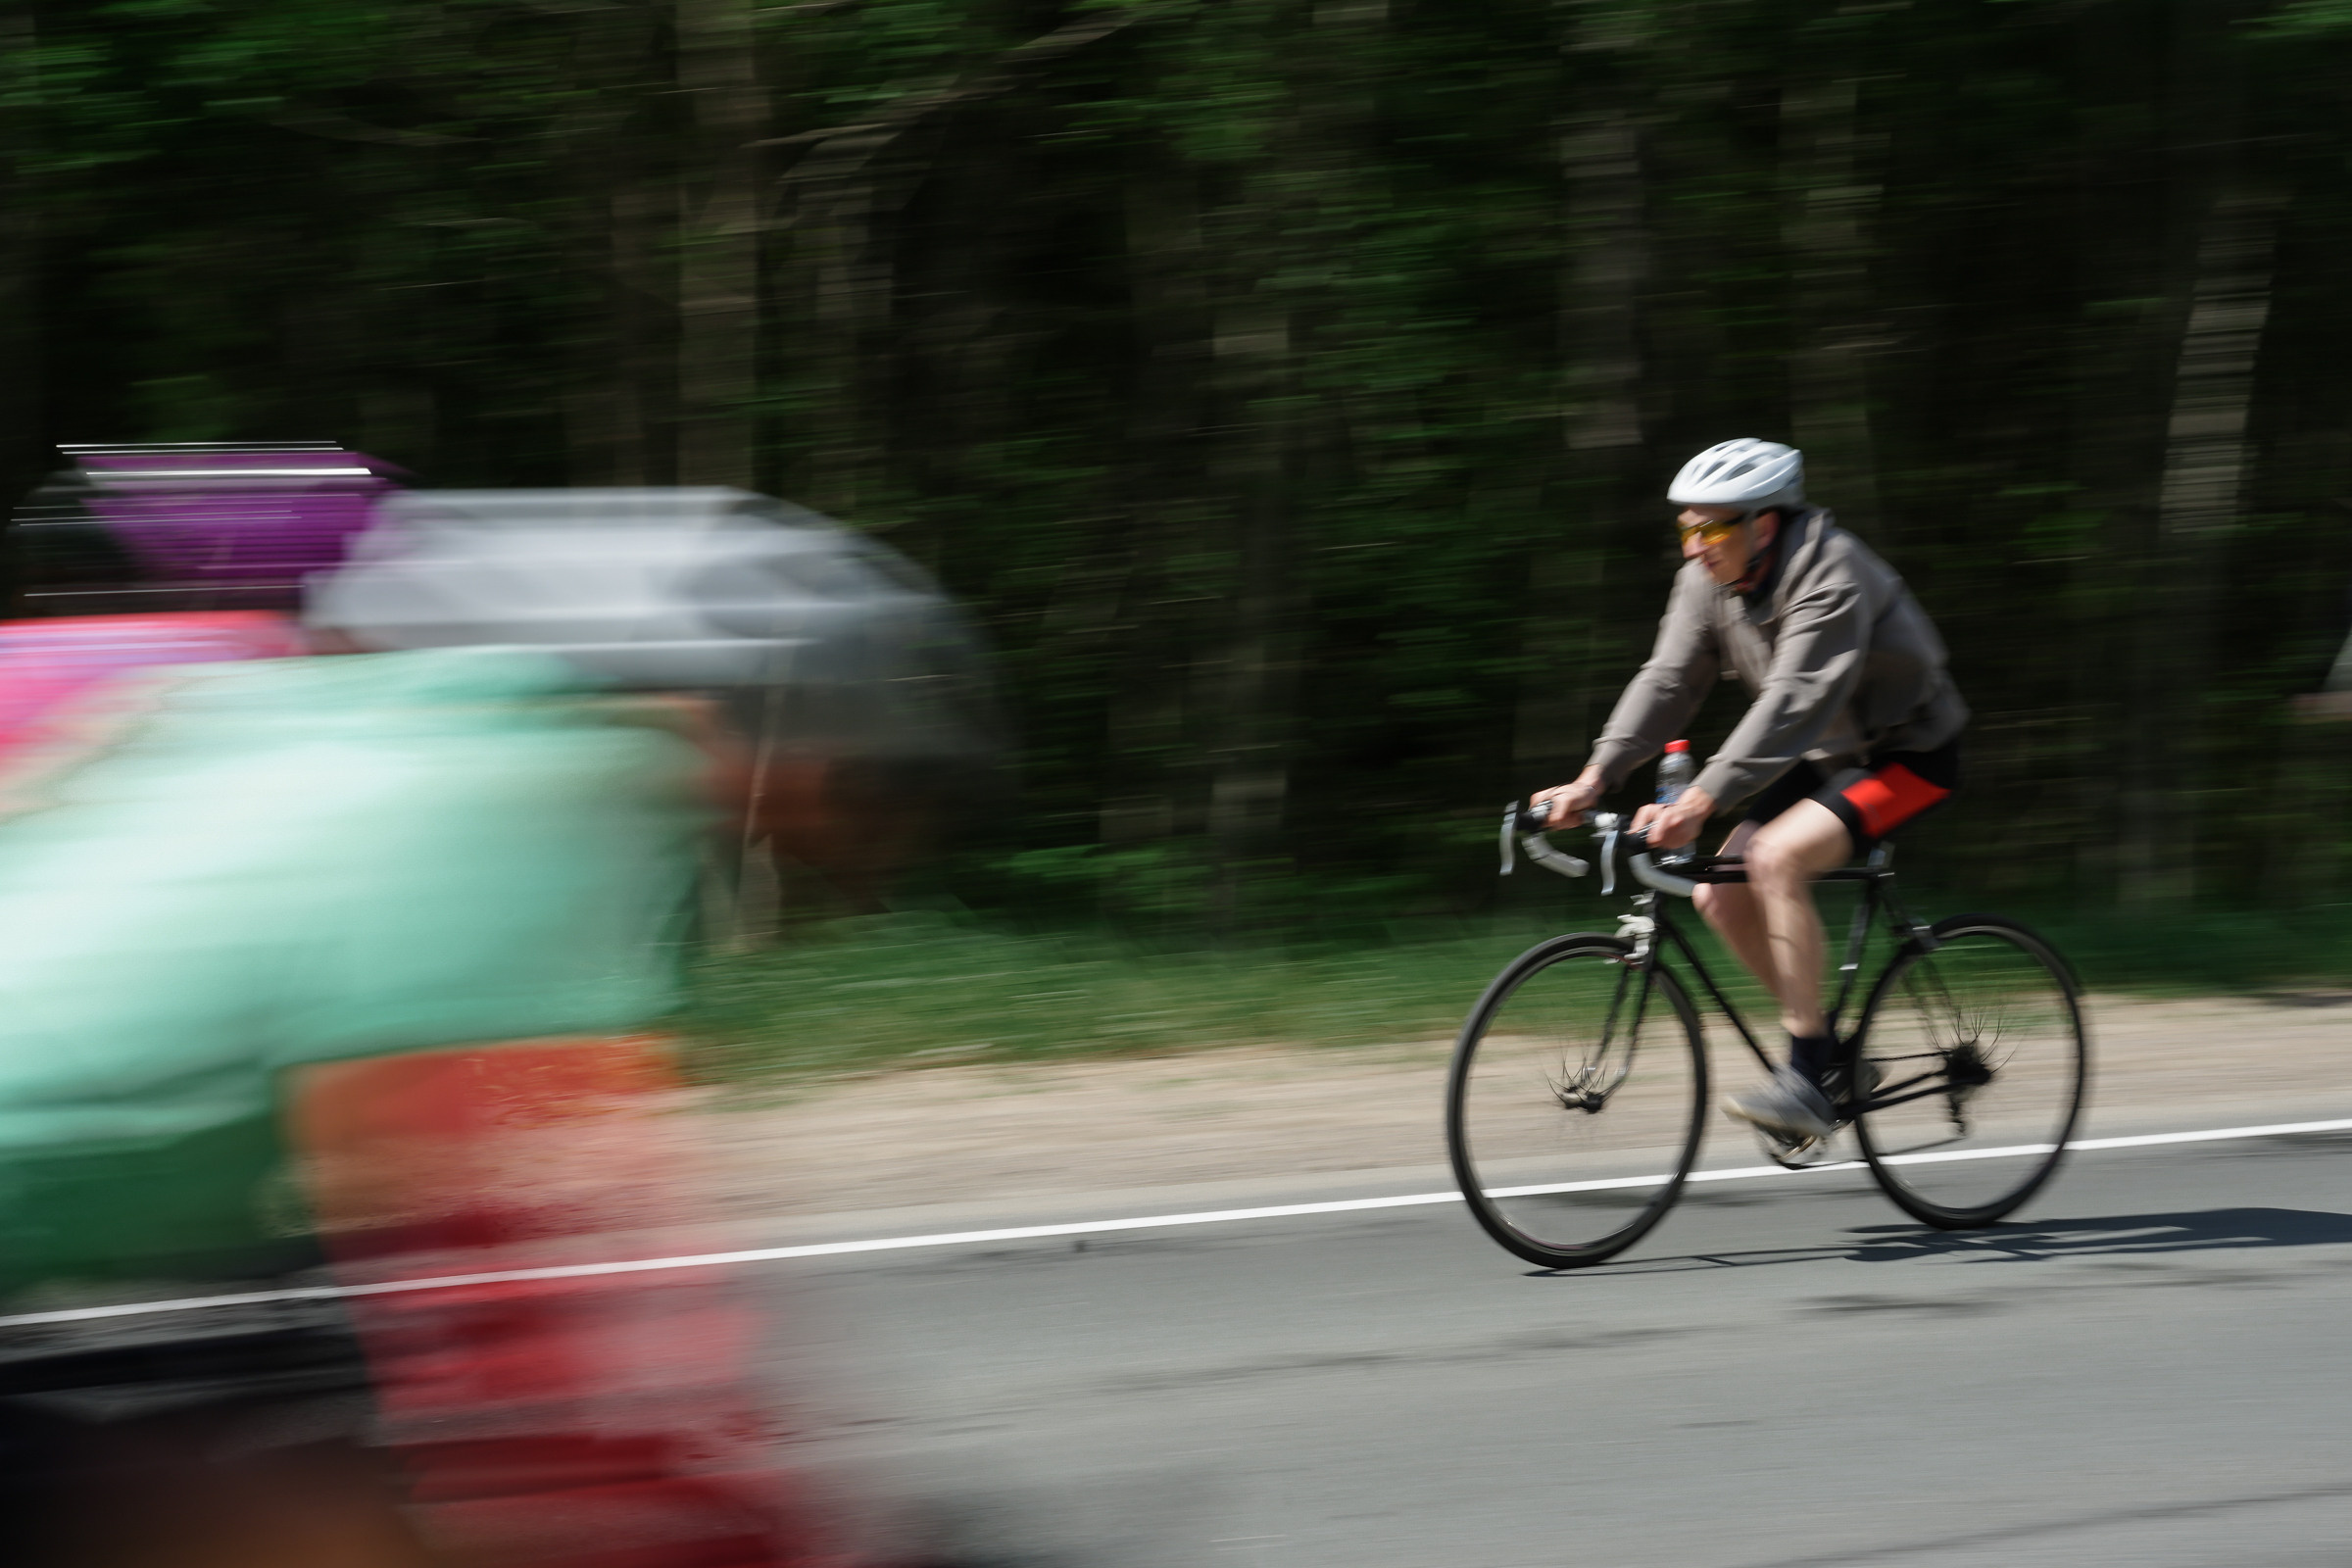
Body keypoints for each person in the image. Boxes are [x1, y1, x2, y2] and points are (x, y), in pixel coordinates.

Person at [1535, 439, 1969, 1141]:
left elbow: (1791, 703)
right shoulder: (1709, 579)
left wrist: (1702, 801)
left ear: (1763, 524)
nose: (1694, 547)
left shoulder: (1830, 572)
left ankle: (1805, 1081)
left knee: (1776, 860)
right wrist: (1596, 777)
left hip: (1907, 752)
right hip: (1825, 751)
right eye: (1686, 528)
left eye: (1711, 528)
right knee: (1716, 892)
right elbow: (1669, 680)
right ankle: (1830, 1055)